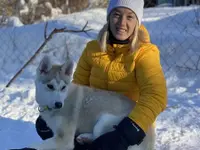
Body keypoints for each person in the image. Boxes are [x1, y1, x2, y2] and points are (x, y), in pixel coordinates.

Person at [35, 0, 167, 150]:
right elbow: (78, 89)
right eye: (117, 15)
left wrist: (128, 131)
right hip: (93, 119)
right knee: (45, 127)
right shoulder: (93, 48)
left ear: (137, 21)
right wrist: (55, 111)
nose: (122, 23)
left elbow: (156, 95)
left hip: (128, 124)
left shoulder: (145, 53)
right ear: (109, 17)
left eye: (130, 17)